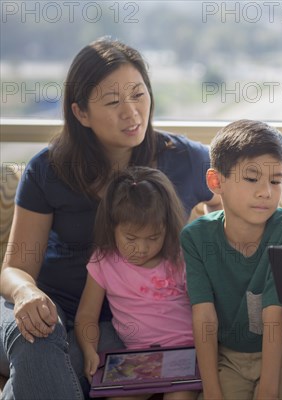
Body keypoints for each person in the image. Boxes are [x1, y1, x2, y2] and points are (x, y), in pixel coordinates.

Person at [0, 38, 219, 399]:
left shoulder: (184, 159)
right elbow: (14, 269)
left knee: (59, 363)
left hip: (120, 323)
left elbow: (237, 209)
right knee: (38, 335)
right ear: (81, 113)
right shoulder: (48, 169)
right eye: (114, 102)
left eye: (138, 94)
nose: (132, 112)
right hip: (44, 305)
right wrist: (26, 293)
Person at [181, 119, 282, 400]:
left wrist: (268, 388)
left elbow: (274, 313)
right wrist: (212, 391)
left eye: (276, 181)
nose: (265, 192)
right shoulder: (196, 238)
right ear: (216, 181)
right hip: (231, 355)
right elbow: (204, 316)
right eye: (252, 179)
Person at [75, 166, 198, 400]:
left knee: (181, 396)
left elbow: (203, 307)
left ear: (167, 229)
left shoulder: (179, 257)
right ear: (112, 228)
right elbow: (87, 316)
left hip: (186, 354)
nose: (141, 248)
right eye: (131, 238)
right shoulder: (103, 261)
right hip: (136, 359)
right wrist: (90, 351)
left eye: (153, 238)